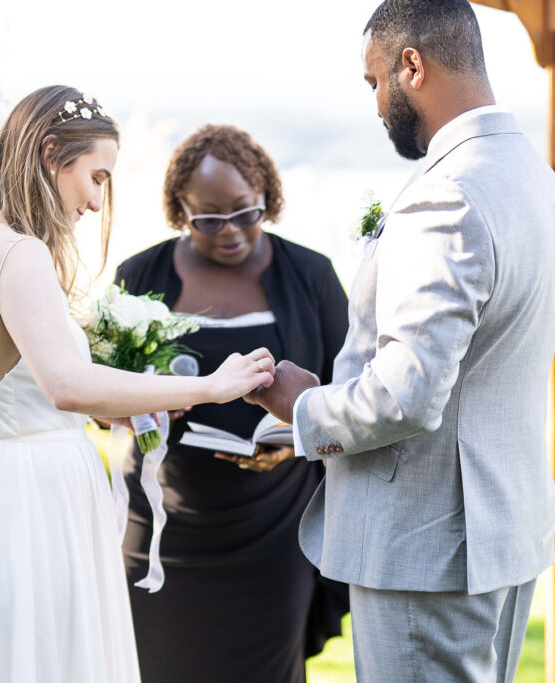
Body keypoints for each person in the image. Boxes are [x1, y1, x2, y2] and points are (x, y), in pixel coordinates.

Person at [247, 1, 555, 681]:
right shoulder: (537, 181)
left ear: (412, 66)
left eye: (374, 82)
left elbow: (405, 395)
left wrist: (302, 408)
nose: (374, 106)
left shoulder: (447, 196)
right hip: (500, 531)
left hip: (427, 549)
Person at [0, 87, 275, 683]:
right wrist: (210, 387)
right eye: (96, 176)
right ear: (50, 152)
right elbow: (66, 385)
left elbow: (30, 389)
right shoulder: (17, 250)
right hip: (34, 493)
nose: (95, 198)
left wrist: (121, 405)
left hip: (2, 480)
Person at [114, 124, 350, 683]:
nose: (230, 232)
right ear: (179, 210)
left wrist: (296, 442)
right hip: (162, 525)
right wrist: (141, 405)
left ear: (267, 196)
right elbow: (101, 389)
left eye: (246, 212)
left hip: (274, 529)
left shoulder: (310, 275)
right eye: (209, 219)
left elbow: (351, 390)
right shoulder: (139, 276)